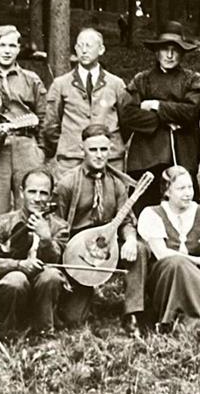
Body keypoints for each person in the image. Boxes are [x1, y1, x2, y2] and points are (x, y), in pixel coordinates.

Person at [54, 124, 147, 335]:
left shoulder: (117, 183)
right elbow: (56, 227)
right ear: (82, 149)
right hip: (79, 253)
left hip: (109, 246)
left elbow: (126, 220)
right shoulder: (67, 183)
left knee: (139, 249)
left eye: (103, 149)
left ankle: (132, 313)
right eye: (93, 149)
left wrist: (130, 240)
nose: (99, 155)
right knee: (74, 319)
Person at [118, 21, 200, 215]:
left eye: (175, 50)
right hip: (146, 160)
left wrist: (156, 106)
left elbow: (190, 112)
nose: (169, 55)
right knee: (144, 213)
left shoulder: (192, 80)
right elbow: (128, 114)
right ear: (156, 52)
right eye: (165, 49)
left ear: (182, 53)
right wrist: (164, 120)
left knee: (185, 212)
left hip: (182, 157)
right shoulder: (141, 80)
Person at [0, 24, 48, 219]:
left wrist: (41, 150)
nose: (7, 51)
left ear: (18, 49)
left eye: (12, 46)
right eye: (2, 45)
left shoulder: (31, 79)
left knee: (32, 207)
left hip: (27, 147)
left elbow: (45, 117)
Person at [137, 166, 200, 332]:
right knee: (176, 263)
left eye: (190, 187)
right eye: (181, 188)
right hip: (163, 278)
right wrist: (199, 261)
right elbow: (162, 254)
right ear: (167, 191)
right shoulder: (152, 214)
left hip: (198, 277)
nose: (188, 193)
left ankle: (190, 324)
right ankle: (175, 320)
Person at [0, 168, 69, 334]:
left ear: (50, 196)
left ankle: (45, 331)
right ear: (22, 192)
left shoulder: (60, 227)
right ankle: (8, 332)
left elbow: (58, 263)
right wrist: (19, 265)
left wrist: (46, 239)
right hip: (12, 291)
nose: (37, 198)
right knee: (16, 279)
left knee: (51, 276)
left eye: (43, 193)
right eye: (32, 192)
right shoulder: (2, 223)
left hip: (43, 292)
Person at [44, 28, 127, 179]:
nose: (83, 50)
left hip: (110, 160)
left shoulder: (116, 84)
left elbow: (126, 122)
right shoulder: (60, 84)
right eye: (80, 46)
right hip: (72, 160)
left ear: (101, 49)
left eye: (88, 45)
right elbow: (51, 125)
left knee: (111, 194)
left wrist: (111, 145)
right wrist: (70, 144)